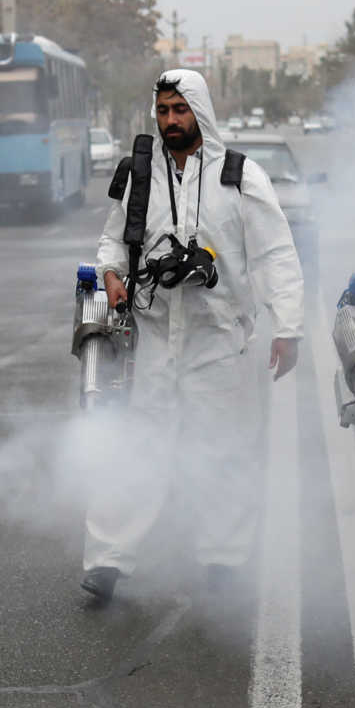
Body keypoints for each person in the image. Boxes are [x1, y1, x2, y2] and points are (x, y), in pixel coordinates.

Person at [79, 68, 303, 609]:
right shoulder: (139, 175)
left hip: (219, 337)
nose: (171, 121)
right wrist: (112, 279)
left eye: (180, 110)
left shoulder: (241, 177)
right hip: (151, 337)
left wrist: (288, 326)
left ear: (199, 112)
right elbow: (112, 243)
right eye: (163, 111)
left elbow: (275, 254)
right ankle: (107, 561)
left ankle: (223, 558)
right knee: (135, 449)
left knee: (223, 448)